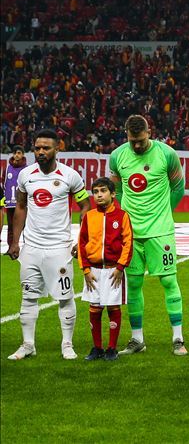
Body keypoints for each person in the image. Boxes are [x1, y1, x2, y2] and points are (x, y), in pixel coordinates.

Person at [7, 129, 90, 360]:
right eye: (37, 148)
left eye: (46, 148)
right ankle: (28, 344)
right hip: (31, 247)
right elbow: (20, 207)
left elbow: (85, 206)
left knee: (65, 297)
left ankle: (67, 344)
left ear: (57, 148)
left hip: (60, 248)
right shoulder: (26, 175)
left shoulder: (70, 176)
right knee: (28, 296)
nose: (41, 152)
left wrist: (81, 238)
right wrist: (15, 241)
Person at [108, 114, 187, 356]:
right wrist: (125, 219)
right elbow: (117, 190)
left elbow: (178, 187)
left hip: (160, 232)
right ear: (126, 135)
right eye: (132, 141)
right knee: (133, 284)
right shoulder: (117, 156)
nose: (137, 146)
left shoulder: (167, 154)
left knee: (168, 281)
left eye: (140, 141)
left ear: (149, 133)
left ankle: (178, 338)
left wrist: (164, 213)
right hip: (131, 233)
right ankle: (137, 339)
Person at [78, 177, 133, 361]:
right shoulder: (89, 216)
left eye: (103, 191)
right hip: (93, 271)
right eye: (95, 192)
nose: (99, 195)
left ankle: (111, 348)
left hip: (113, 270)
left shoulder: (122, 216)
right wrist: (85, 269)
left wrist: (120, 267)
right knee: (94, 308)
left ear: (113, 194)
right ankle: (97, 348)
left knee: (113, 306)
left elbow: (128, 242)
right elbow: (81, 243)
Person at [4, 146, 27, 242]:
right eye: (15, 153)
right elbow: (4, 183)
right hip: (10, 202)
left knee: (25, 226)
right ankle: (11, 247)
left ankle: (27, 246)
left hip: (22, 203)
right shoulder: (8, 168)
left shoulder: (26, 169)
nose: (16, 155)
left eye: (19, 153)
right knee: (10, 226)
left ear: (23, 155)